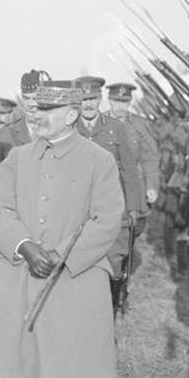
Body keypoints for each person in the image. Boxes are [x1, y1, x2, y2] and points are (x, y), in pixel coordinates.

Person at [0, 79, 124, 378]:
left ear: (72, 115)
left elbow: (107, 219)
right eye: (36, 108)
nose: (36, 115)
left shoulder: (99, 160)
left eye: (46, 110)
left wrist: (61, 255)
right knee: (20, 354)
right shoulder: (18, 158)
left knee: (74, 358)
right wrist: (24, 246)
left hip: (76, 271)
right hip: (21, 268)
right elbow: (0, 210)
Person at [74, 76, 144, 298]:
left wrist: (133, 207)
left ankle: (110, 312)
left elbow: (130, 171)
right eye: (84, 99)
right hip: (77, 208)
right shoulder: (69, 127)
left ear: (100, 98)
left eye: (93, 98)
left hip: (111, 206)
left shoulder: (115, 128)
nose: (88, 104)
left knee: (113, 260)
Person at [0, 70, 48, 160]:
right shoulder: (6, 134)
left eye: (36, 98)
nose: (31, 104)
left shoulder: (61, 130)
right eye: (26, 98)